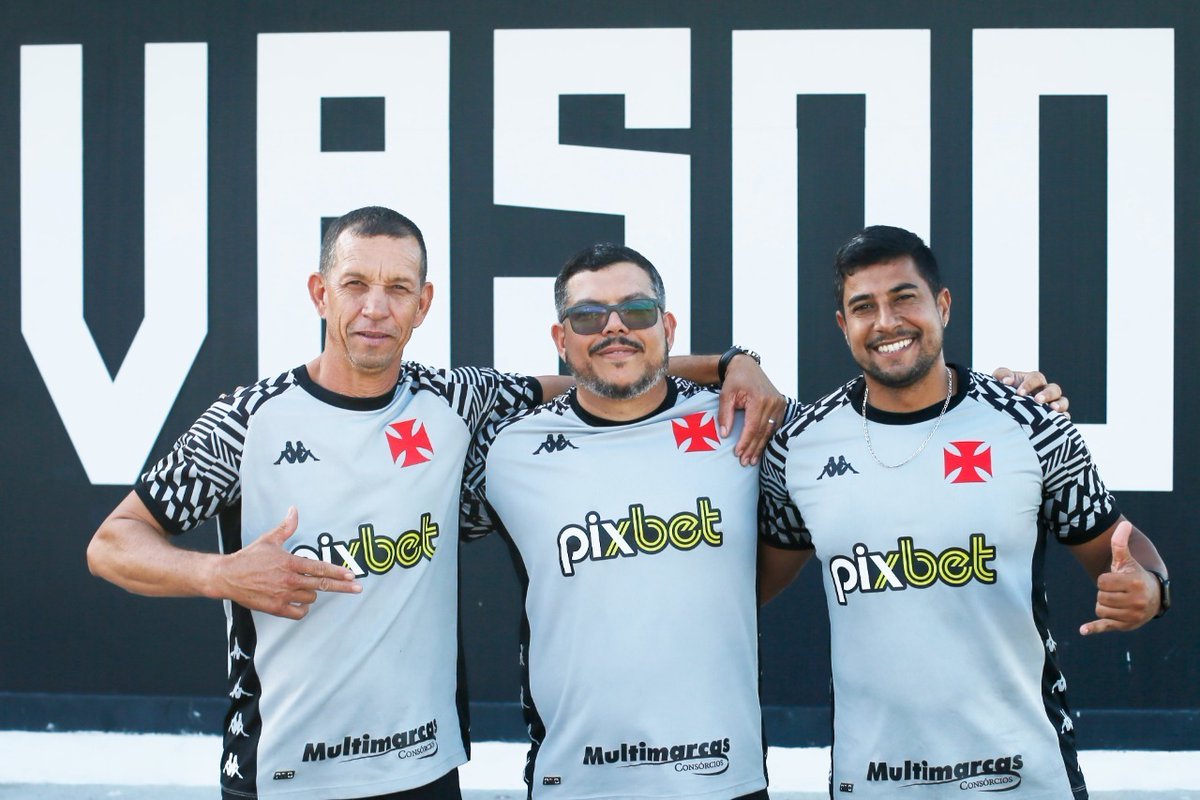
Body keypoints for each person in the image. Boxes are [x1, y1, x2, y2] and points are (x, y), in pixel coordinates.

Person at [86, 208, 779, 800]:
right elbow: (112, 542)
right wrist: (217, 574)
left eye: (397, 288)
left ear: (424, 305)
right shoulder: (247, 420)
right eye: (355, 284)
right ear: (320, 293)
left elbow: (602, 368)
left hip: (424, 768)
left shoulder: (455, 402)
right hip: (284, 772)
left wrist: (730, 364)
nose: (375, 308)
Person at [460, 242, 1066, 799]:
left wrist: (1008, 396)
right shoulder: (505, 448)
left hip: (722, 776)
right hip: (575, 779)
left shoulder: (754, 424)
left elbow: (896, 428)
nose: (615, 327)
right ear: (559, 337)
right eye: (589, 317)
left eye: (637, 311)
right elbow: (420, 522)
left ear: (668, 327)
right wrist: (732, 360)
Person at [758, 225, 1170, 798]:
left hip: (1024, 776)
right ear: (842, 325)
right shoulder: (800, 446)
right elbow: (749, 586)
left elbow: (1117, 544)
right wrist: (731, 364)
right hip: (873, 778)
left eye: (904, 298)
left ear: (943, 305)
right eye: (863, 307)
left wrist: (1151, 587)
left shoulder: (1031, 423)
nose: (886, 322)